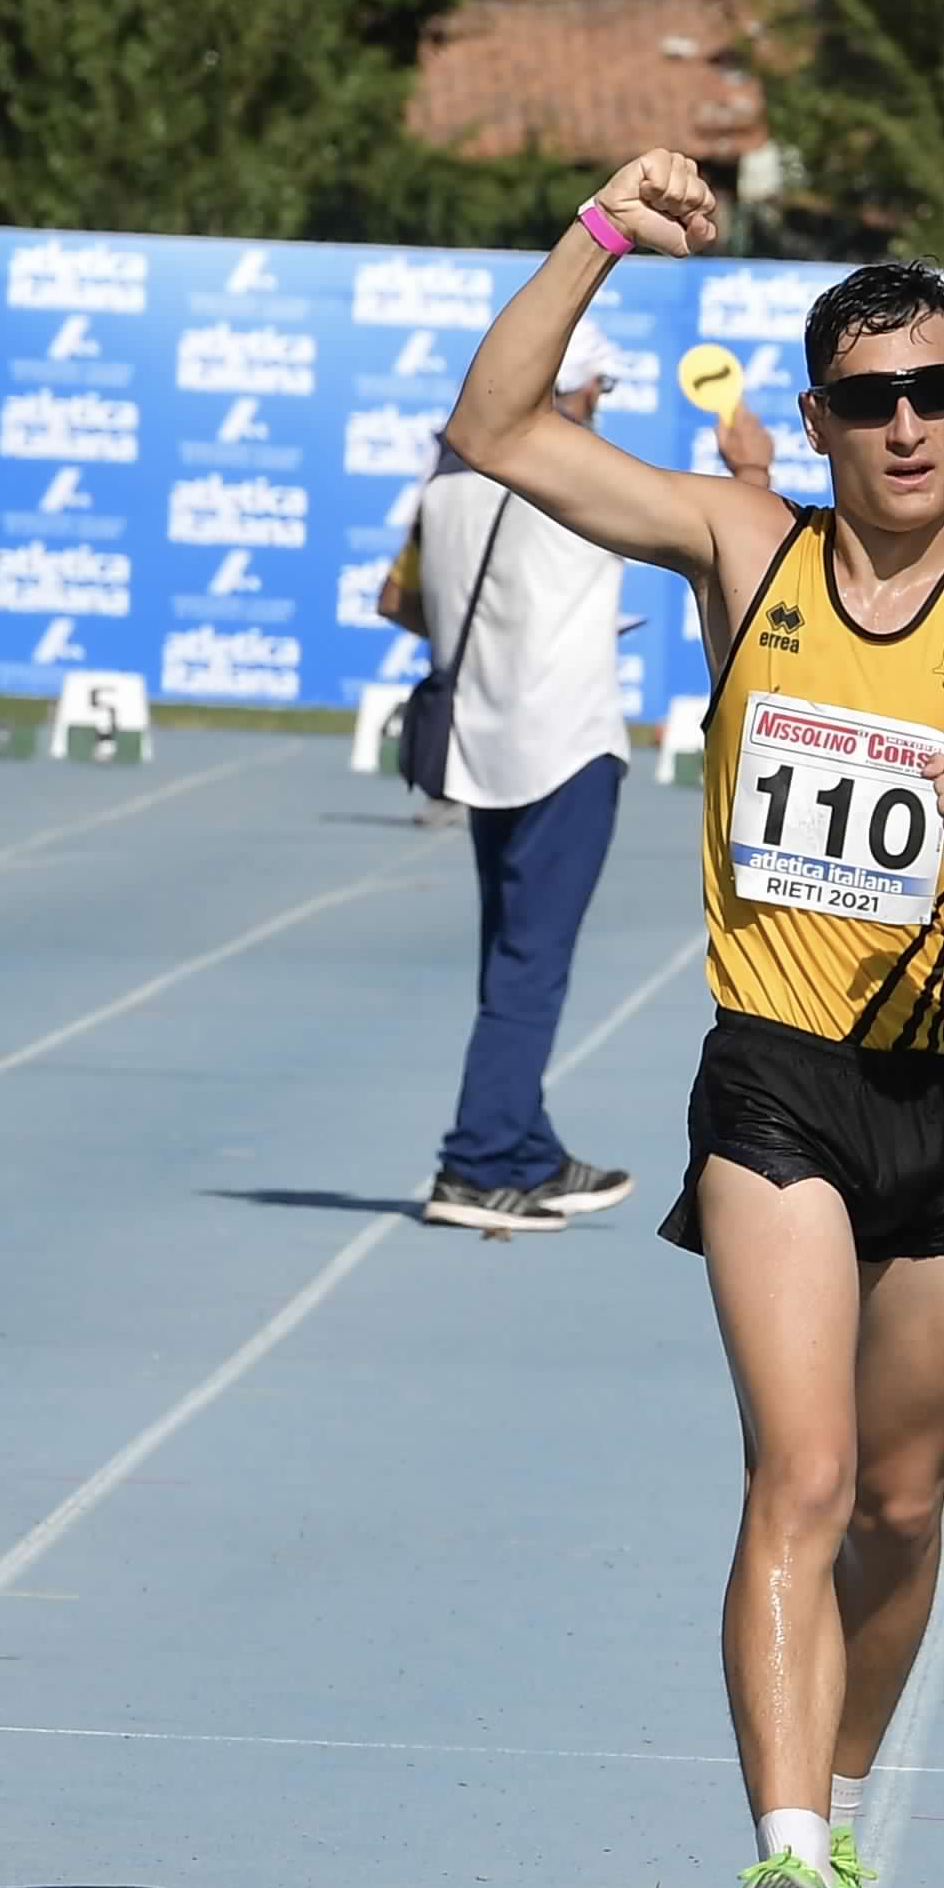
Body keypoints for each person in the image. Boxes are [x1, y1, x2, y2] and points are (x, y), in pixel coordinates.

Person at [443, 149, 944, 1888]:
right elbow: (494, 428)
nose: (905, 426)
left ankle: (841, 1822)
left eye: (933, 391)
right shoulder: (745, 547)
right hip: (776, 1082)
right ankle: (782, 1855)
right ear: (816, 422)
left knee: (898, 1503)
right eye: (869, 399)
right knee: (795, 1471)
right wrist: (601, 232)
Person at [392, 321, 775, 1236]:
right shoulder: (567, 470)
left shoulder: (447, 477)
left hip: (481, 743)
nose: (601, 402)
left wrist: (510, 635)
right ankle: (476, 1162)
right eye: (598, 386)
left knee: (509, 957)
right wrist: (750, 473)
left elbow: (399, 600)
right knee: (533, 966)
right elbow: (731, 557)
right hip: (562, 744)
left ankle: (524, 1147)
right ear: (573, 385)